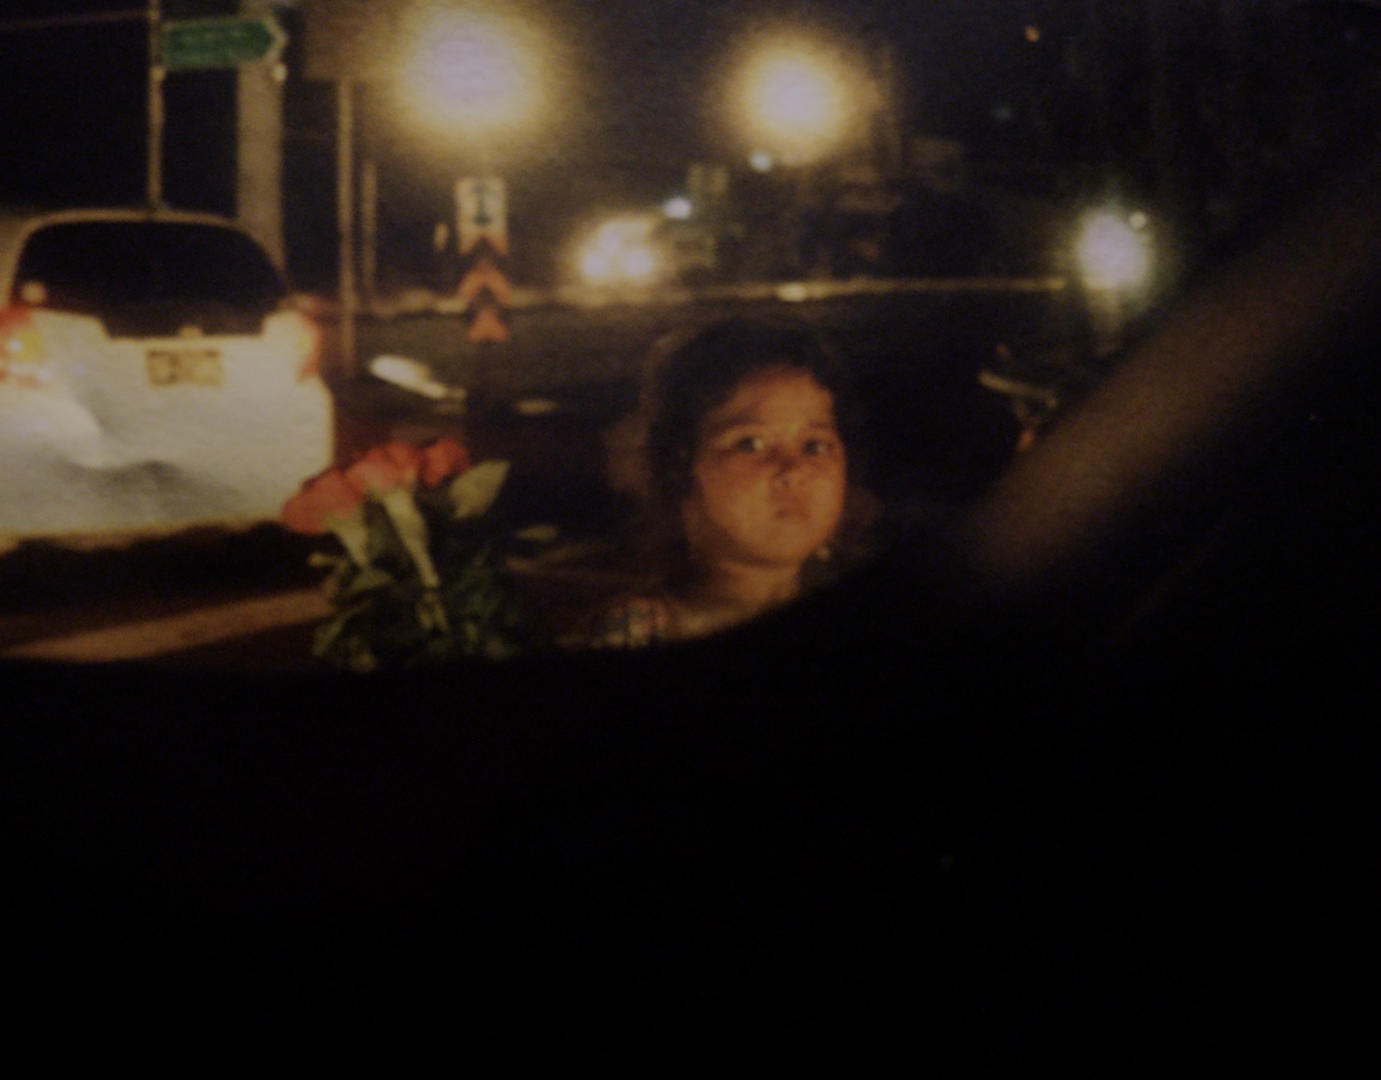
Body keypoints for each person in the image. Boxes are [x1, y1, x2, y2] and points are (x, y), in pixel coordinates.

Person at [584, 316, 874, 647]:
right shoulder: (640, 633)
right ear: (681, 467)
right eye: (751, 444)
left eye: (814, 446)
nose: (793, 471)